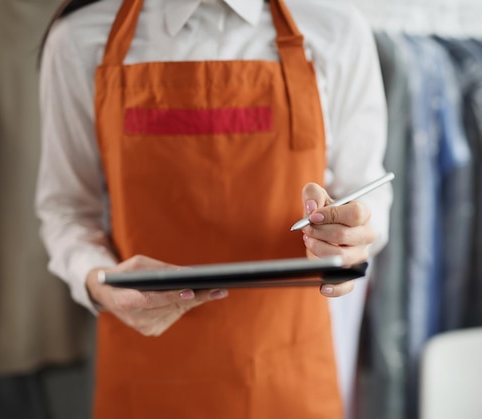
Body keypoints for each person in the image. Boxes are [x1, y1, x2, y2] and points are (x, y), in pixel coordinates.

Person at [36, 0, 391, 418]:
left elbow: (367, 198)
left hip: (289, 376)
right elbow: (66, 210)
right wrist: (97, 281)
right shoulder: (80, 39)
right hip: (146, 375)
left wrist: (348, 240)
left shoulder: (337, 30)